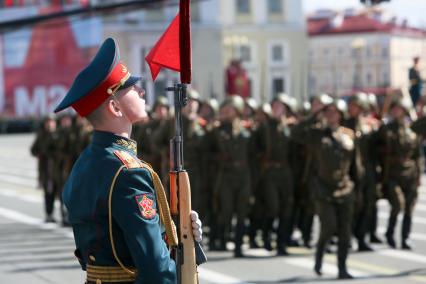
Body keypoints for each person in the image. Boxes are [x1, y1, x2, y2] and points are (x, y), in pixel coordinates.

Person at [54, 37, 202, 284]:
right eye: (131, 87)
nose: (141, 91)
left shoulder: (86, 162)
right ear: (115, 107)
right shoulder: (128, 173)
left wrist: (178, 232)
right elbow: (156, 268)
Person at [292, 99, 357, 279]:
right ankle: (319, 256)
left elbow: (356, 165)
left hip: (345, 187)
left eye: (335, 112)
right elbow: (295, 133)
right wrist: (313, 115)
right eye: (328, 112)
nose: (331, 115)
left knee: (345, 231)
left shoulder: (349, 135)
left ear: (341, 115)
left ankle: (342, 268)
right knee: (328, 226)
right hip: (323, 187)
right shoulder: (317, 134)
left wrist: (358, 188)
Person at [373, 96, 423, 250]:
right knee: (398, 204)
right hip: (393, 173)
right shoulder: (386, 128)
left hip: (410, 172)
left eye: (399, 108)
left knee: (409, 207)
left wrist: (419, 175)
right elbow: (374, 147)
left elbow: (417, 155)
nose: (396, 111)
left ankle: (405, 238)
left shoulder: (412, 130)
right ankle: (389, 233)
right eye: (393, 109)